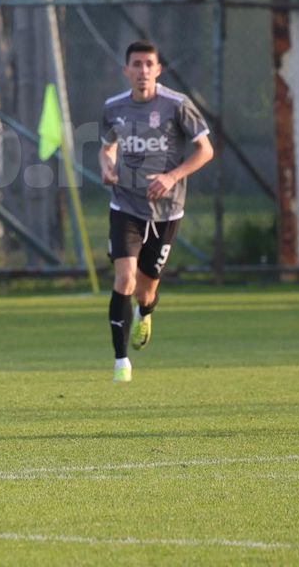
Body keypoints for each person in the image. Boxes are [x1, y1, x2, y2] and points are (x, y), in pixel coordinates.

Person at [98, 41, 214, 383]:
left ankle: (145, 312)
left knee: (146, 289)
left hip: (167, 210)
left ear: (158, 69)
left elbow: (205, 150)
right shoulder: (114, 107)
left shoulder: (177, 105)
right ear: (126, 70)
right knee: (125, 279)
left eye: (149, 64)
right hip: (125, 205)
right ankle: (121, 362)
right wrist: (106, 167)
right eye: (136, 64)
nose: (143, 70)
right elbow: (107, 148)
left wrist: (171, 176)